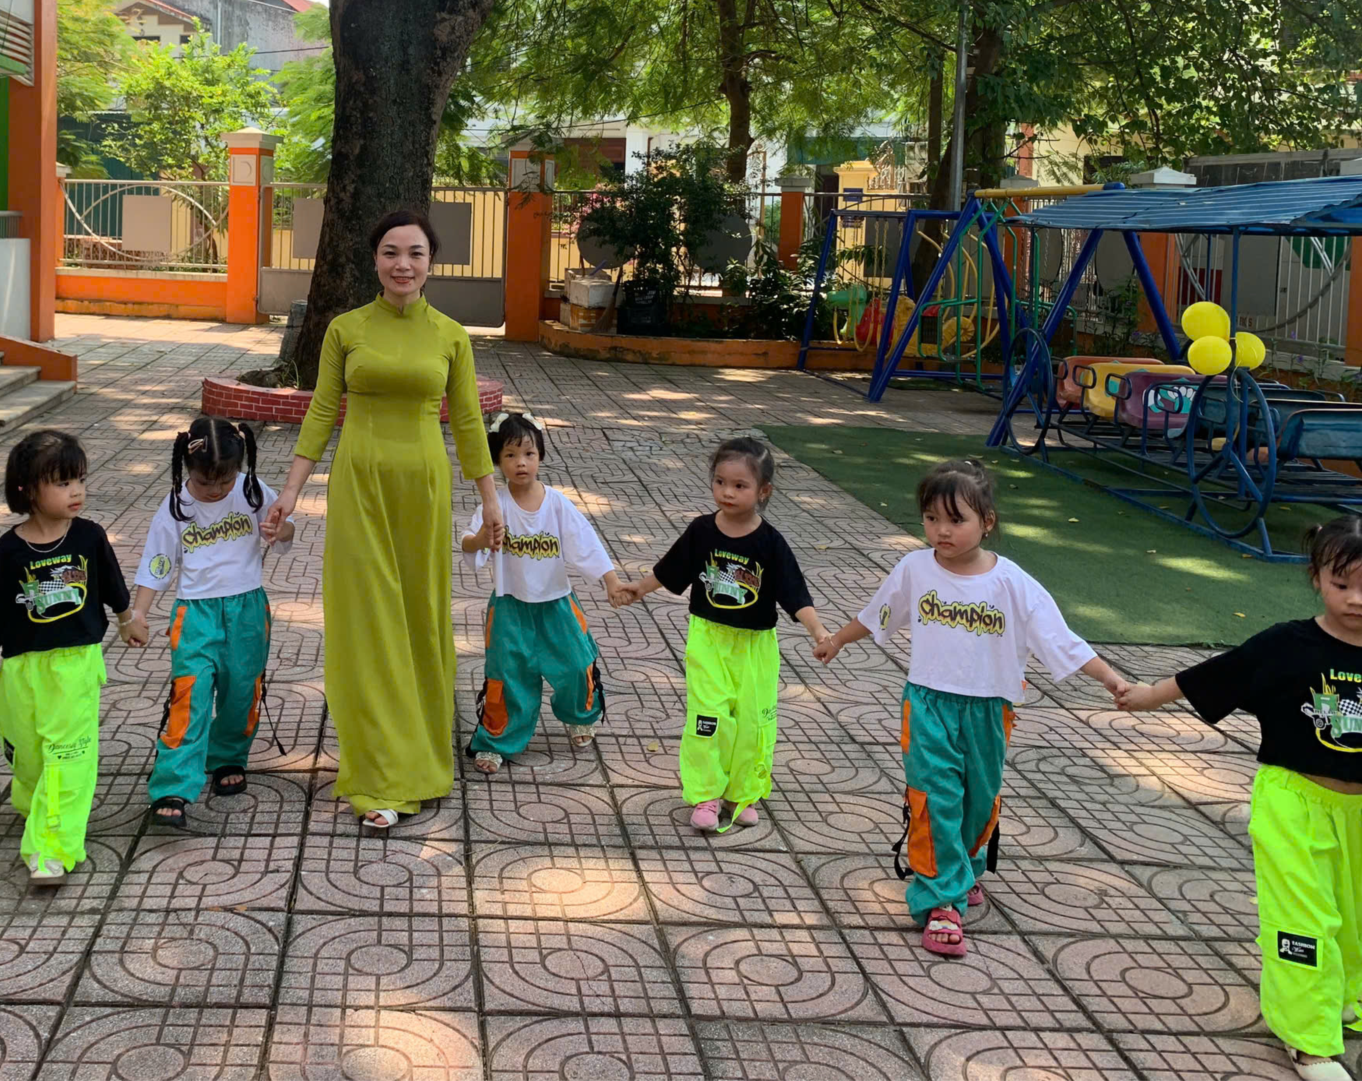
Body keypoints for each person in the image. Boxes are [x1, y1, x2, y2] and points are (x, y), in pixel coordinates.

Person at [1121, 516, 1362, 1081]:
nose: (1356, 600)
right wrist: (1147, 695)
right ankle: (1309, 1041)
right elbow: (1217, 673)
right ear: (1317, 578)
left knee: (1360, 921)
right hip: (1293, 804)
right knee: (1304, 919)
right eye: (1341, 584)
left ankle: (1337, 993)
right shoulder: (1288, 643)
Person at [816, 458, 1126, 959]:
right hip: (927, 705)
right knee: (935, 797)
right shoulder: (915, 568)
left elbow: (1059, 638)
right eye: (931, 518)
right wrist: (837, 640)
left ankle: (962, 868)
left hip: (988, 711)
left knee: (978, 802)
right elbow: (879, 614)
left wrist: (1110, 677)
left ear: (987, 522)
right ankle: (941, 901)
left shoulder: (1012, 583)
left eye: (956, 520)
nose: (942, 530)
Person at [261, 208, 505, 831]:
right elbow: (322, 410)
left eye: (415, 253)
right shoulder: (346, 328)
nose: (403, 264)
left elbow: (468, 421)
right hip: (359, 485)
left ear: (431, 262)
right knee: (367, 621)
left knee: (419, 618)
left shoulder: (451, 335)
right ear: (375, 259)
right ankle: (377, 775)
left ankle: (420, 763)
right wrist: (290, 492)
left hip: (424, 488)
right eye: (391, 252)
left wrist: (491, 499)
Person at [617, 436, 826, 835]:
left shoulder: (771, 542)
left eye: (740, 485)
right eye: (720, 482)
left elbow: (794, 592)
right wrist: (638, 589)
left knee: (751, 722)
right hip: (709, 639)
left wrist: (817, 630)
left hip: (754, 646)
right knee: (708, 716)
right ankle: (706, 794)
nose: (727, 492)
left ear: (763, 491)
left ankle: (742, 793)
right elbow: (670, 569)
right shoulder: (701, 531)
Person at [0, 429, 140, 886]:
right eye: (62, 483)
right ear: (28, 490)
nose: (76, 491)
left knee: (68, 754)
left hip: (75, 664)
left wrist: (127, 618)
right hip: (23, 668)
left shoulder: (89, 537)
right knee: (28, 752)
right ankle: (37, 804)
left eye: (80, 479)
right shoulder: (10, 548)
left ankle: (51, 846)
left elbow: (113, 583)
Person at [131, 416, 295, 831]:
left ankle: (227, 758)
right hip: (195, 615)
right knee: (191, 695)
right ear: (187, 467)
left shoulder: (252, 491)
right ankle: (173, 786)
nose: (217, 489)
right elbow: (157, 564)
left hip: (248, 611)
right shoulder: (175, 506)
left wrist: (280, 529)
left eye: (226, 479)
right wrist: (139, 612)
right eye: (206, 481)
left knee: (242, 690)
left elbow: (287, 531)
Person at [462, 411, 617, 773]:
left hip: (557, 605)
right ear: (497, 461)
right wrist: (482, 539)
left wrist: (611, 581)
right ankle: (497, 740)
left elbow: (586, 543)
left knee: (577, 664)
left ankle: (579, 716)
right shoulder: (494, 504)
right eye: (511, 455)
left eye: (529, 454)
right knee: (507, 675)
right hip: (509, 608)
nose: (521, 463)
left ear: (541, 456)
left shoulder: (557, 503)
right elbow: (469, 543)